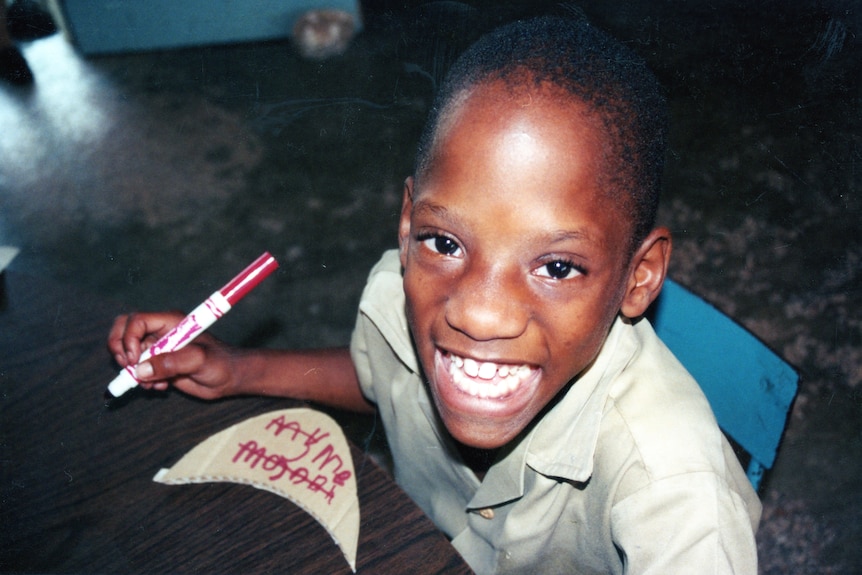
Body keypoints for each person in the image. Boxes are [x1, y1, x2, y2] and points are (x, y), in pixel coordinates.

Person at [108, 16, 761, 574]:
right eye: (445, 242)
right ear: (407, 220)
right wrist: (238, 369)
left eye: (557, 266)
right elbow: (379, 376)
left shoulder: (677, 491)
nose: (477, 311)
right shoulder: (396, 294)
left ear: (639, 275)